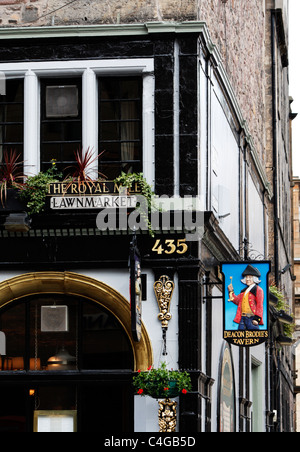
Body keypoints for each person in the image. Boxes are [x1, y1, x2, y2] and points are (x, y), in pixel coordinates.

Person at [227, 265, 264, 331]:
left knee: (253, 337)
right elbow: (236, 300)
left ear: (254, 278)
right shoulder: (244, 291)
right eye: (246, 277)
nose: (247, 279)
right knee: (240, 337)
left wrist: (257, 319)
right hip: (242, 318)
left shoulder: (258, 290)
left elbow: (259, 305)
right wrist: (231, 291)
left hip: (252, 318)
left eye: (250, 277)